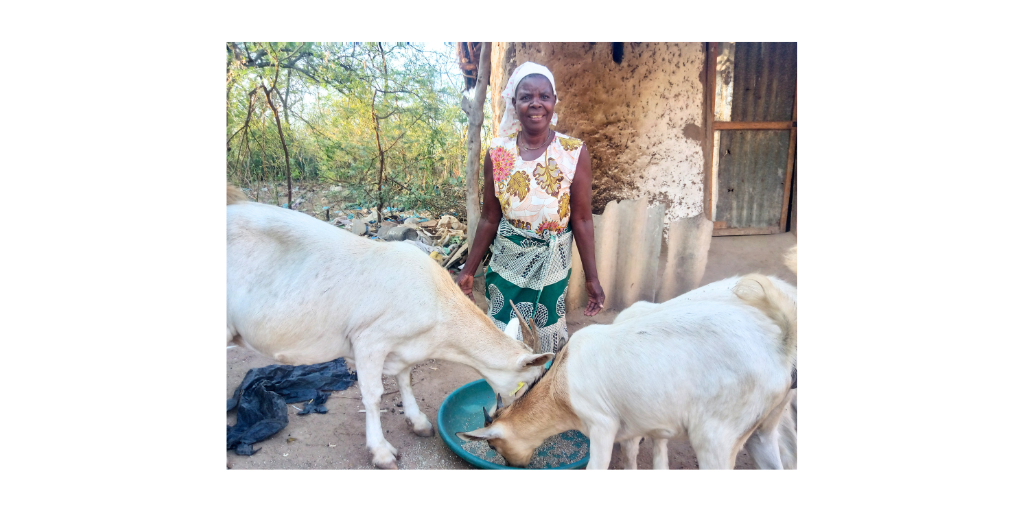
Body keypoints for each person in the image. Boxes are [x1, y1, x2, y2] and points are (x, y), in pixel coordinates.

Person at [456, 62, 605, 354]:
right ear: (515, 104)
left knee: (545, 341)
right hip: (506, 264)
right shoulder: (498, 153)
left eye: (544, 96)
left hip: (552, 265)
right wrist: (468, 270)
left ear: (553, 101)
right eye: (526, 97)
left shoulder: (574, 152)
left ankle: (541, 397)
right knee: (503, 337)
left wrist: (592, 278)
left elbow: (583, 220)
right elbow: (489, 217)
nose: (536, 104)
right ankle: (505, 396)